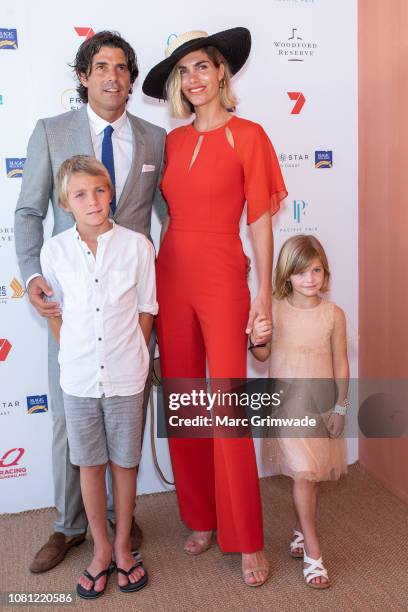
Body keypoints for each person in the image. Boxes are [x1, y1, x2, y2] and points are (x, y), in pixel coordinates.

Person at [14, 31, 166, 573]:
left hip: (128, 306)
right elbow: (28, 212)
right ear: (84, 76)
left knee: (124, 418)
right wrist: (32, 276)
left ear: (130, 77)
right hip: (70, 305)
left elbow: (165, 216)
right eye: (101, 66)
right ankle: (70, 525)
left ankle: (119, 524)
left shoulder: (154, 137)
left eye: (123, 68)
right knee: (69, 419)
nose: (113, 76)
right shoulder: (51, 132)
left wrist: (157, 286)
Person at [142, 28, 287, 586]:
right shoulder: (171, 142)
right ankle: (200, 517)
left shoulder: (249, 135)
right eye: (185, 71)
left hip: (226, 273)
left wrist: (263, 295)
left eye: (202, 66)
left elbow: (259, 221)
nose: (194, 78)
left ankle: (247, 537)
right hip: (171, 271)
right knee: (184, 396)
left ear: (222, 72)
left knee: (225, 402)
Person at [40, 155, 157, 598]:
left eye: (100, 191)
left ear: (111, 193)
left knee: (125, 464)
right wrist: (71, 348)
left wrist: (136, 354)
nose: (93, 201)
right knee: (90, 465)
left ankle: (125, 547)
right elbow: (55, 313)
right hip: (79, 378)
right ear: (66, 203)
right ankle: (101, 550)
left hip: (128, 375)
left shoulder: (137, 246)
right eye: (81, 195)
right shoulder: (55, 251)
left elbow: (147, 308)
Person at [250, 234, 349, 589]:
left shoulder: (333, 315)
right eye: (301, 272)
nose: (310, 278)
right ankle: (312, 548)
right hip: (286, 407)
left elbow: (341, 364)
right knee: (305, 473)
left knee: (313, 474)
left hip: (320, 406)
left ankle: (297, 529)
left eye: (317, 270)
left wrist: (341, 406)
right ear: (286, 275)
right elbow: (261, 356)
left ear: (325, 272)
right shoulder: (274, 309)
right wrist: (256, 339)